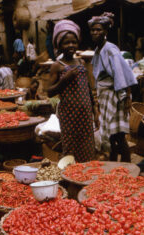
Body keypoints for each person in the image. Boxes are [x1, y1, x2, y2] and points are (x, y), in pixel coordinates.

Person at [89, 12, 137, 162]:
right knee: (111, 136)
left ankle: (127, 167)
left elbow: (122, 73)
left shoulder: (110, 49)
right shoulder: (98, 51)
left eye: (99, 29)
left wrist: (127, 96)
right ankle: (114, 166)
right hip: (105, 97)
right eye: (93, 30)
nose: (95, 32)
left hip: (115, 96)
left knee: (119, 136)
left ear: (106, 32)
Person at [47, 19, 96, 162]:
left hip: (85, 114)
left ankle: (84, 177)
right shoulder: (57, 65)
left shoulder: (81, 62)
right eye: (66, 43)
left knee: (87, 146)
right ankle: (69, 179)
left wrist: (95, 112)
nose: (71, 45)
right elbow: (49, 92)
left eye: (74, 42)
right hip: (68, 114)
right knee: (70, 148)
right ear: (59, 45)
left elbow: (88, 88)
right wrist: (64, 80)